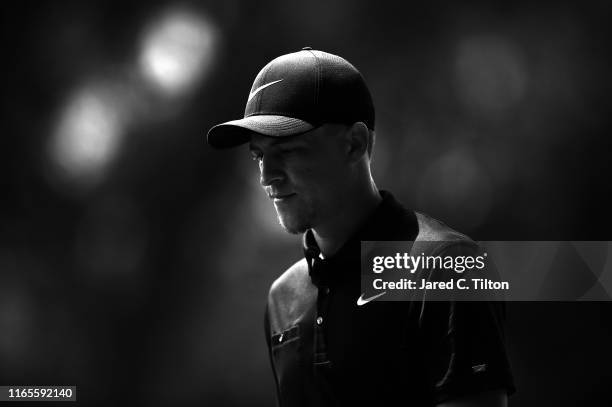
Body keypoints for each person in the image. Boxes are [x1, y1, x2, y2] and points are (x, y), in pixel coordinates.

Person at [206, 48, 515, 406]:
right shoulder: (283, 297)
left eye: (287, 151)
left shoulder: (448, 268)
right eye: (259, 155)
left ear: (355, 143)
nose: (266, 176)